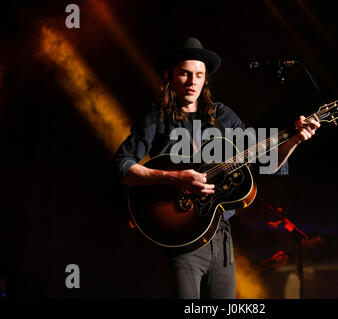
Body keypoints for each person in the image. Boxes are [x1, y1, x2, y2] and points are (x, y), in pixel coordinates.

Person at [113, 36, 320, 299]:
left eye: (199, 75)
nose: (192, 82)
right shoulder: (157, 117)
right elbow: (122, 166)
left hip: (221, 237)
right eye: (185, 74)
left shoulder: (223, 116)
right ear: (169, 76)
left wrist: (294, 140)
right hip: (182, 239)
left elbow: (266, 162)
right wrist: (176, 178)